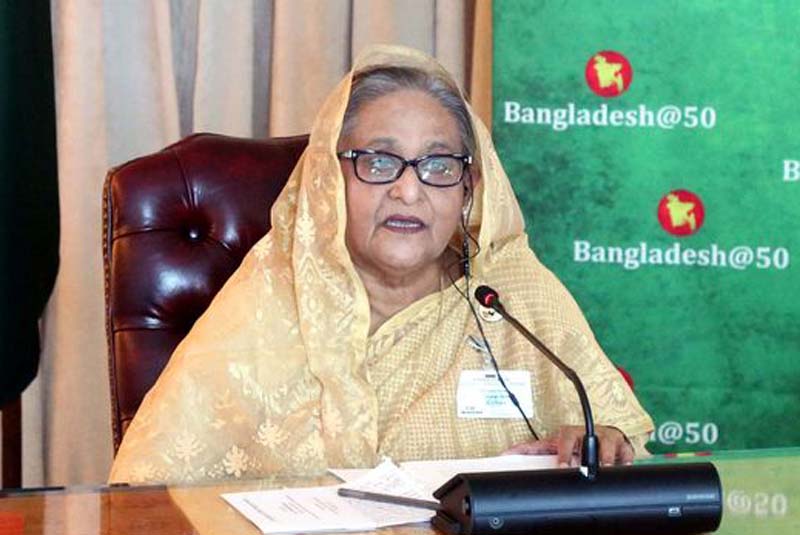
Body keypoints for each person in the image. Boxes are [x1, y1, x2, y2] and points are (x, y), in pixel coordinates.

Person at [109, 45, 653, 484]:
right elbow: (148, 494)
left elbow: (621, 450)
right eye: (379, 161)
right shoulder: (269, 303)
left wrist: (603, 444)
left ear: (468, 188)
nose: (409, 191)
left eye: (438, 164)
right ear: (330, 180)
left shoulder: (513, 294)